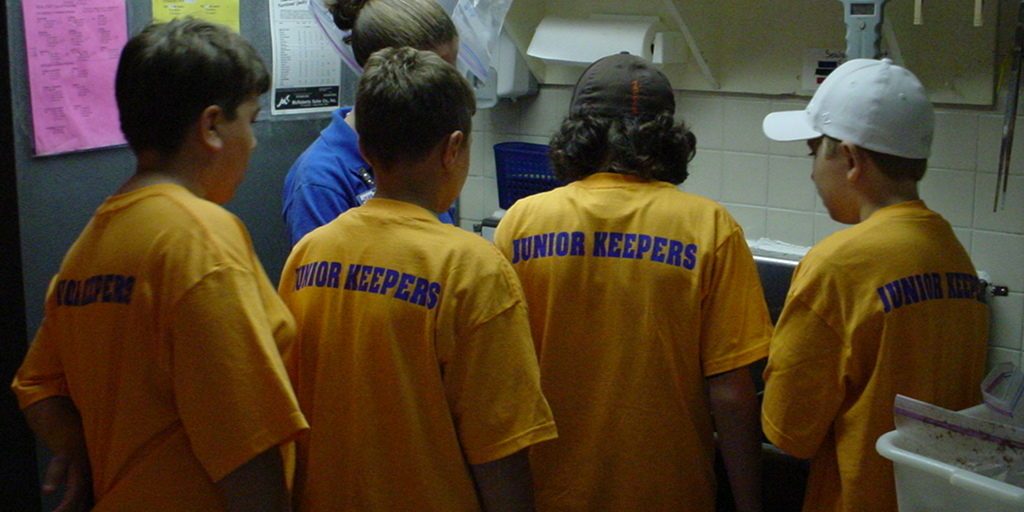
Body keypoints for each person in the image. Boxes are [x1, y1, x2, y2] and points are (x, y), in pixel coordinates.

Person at [11, 18, 308, 511]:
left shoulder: (91, 244)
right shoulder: (202, 239)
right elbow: (247, 448)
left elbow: (36, 386)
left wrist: (79, 451)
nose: (253, 144)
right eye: (250, 122)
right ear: (211, 126)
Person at [279, 46, 557, 511]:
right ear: (452, 149)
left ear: (364, 147)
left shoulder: (308, 256)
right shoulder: (472, 270)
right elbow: (500, 450)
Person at [493, 53, 771, 512]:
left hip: (550, 492)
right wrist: (750, 505)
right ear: (668, 137)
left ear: (578, 133)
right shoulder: (710, 227)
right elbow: (732, 394)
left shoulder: (521, 223)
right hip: (669, 493)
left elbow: (498, 380)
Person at [760, 58, 990, 512]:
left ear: (849, 159)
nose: (811, 172)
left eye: (813, 152)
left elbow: (788, 430)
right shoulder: (953, 257)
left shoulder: (838, 265)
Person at [282, 0, 460, 246]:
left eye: (452, 70)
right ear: (384, 72)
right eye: (436, 74)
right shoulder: (320, 178)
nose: (452, 88)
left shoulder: (427, 150)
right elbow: (323, 278)